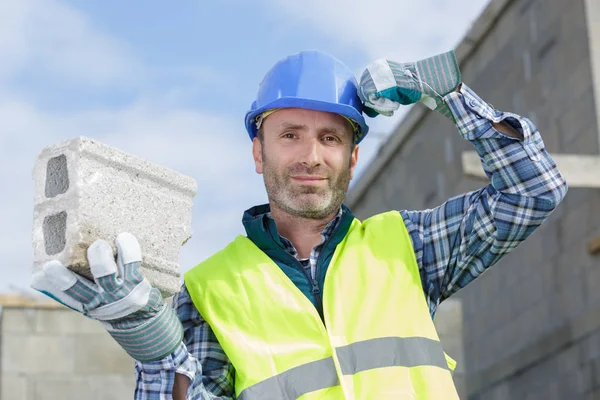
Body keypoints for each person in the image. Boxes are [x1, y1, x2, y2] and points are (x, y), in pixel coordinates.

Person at [32, 49, 567, 399]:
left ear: (352, 159)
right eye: (290, 135)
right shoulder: (207, 291)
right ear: (258, 153)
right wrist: (156, 354)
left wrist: (450, 97)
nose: (311, 156)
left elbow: (534, 190)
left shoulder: (410, 246)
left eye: (331, 138)